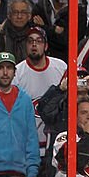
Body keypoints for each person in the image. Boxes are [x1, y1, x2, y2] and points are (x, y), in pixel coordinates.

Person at [13, 25, 67, 156]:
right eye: (30, 41)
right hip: (28, 147)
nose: (34, 45)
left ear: (46, 46)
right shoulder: (17, 72)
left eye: (38, 41)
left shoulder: (61, 67)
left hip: (56, 146)